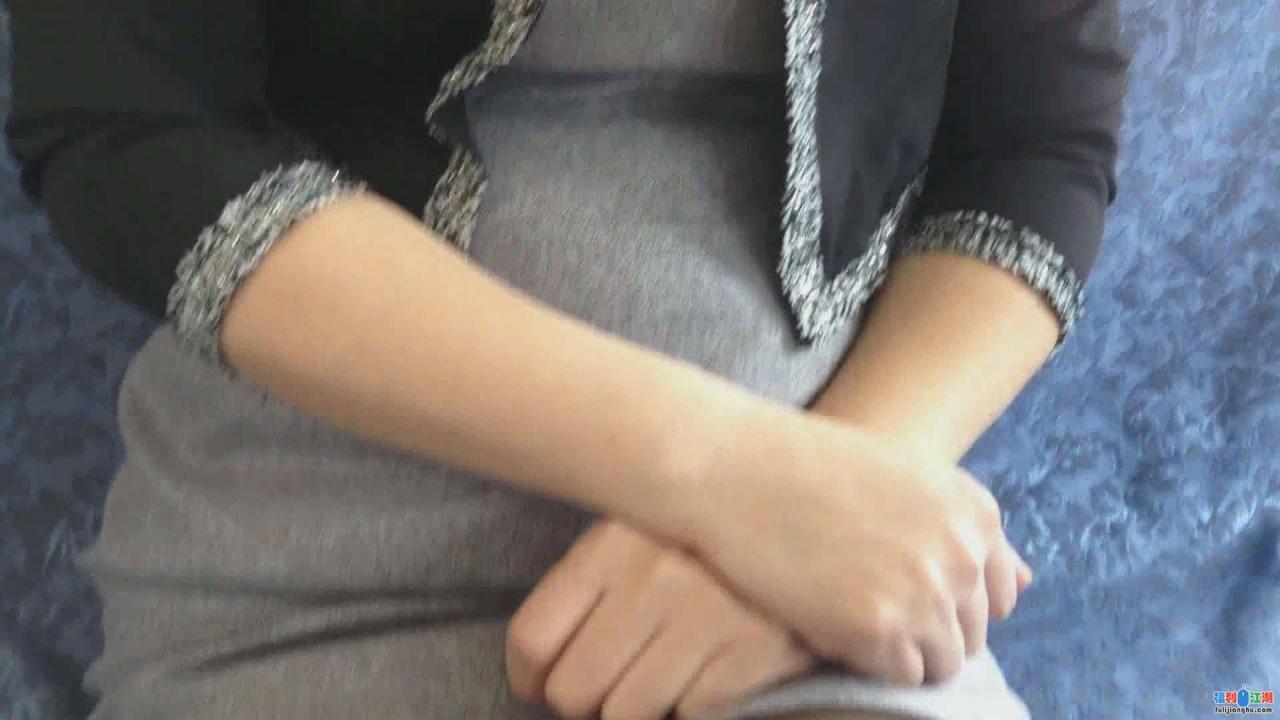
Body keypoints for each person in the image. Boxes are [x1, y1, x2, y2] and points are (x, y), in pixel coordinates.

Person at [6, 1, 1128, 718]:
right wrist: (731, 478)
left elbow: (1031, 154)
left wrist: (837, 496)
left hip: (790, 603)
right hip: (306, 590)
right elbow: (131, 129)